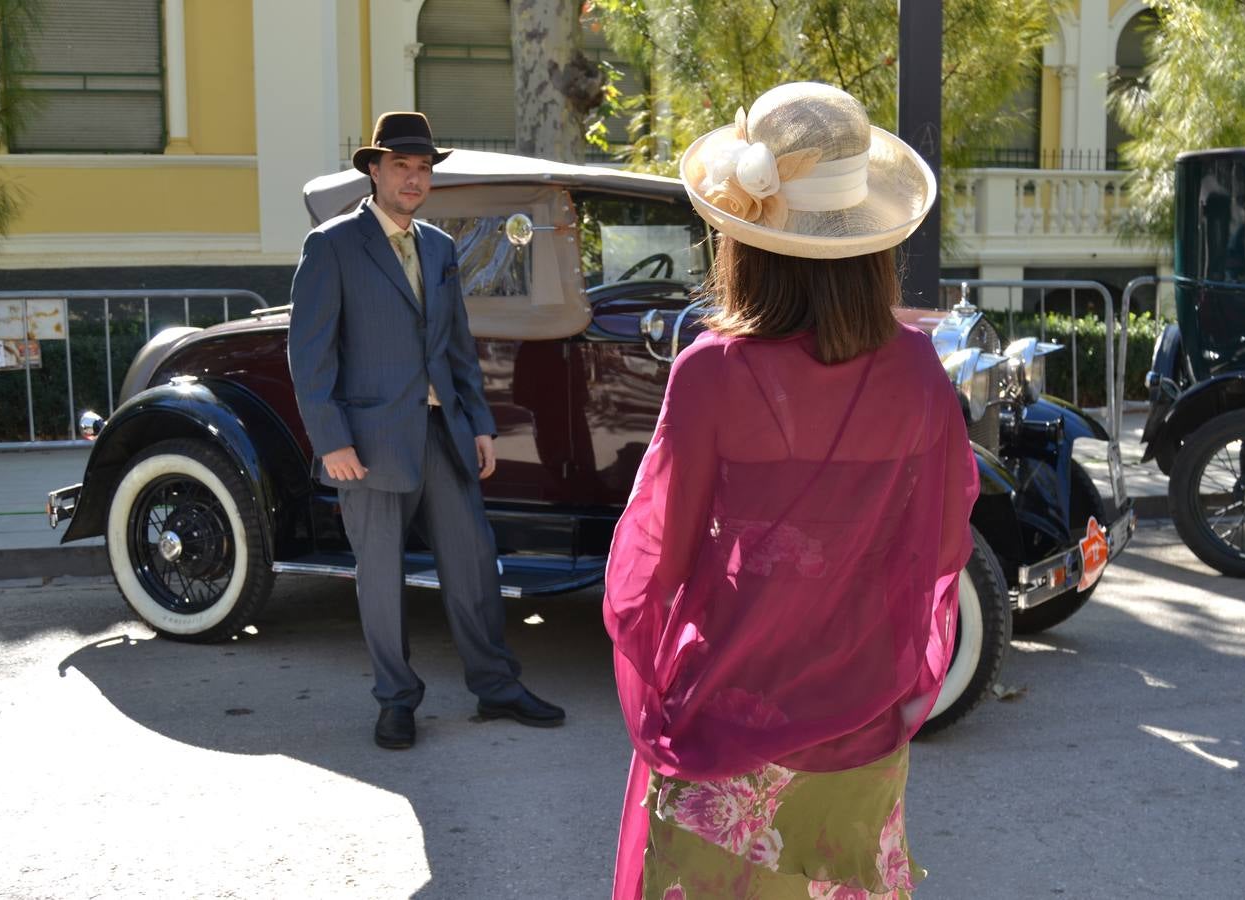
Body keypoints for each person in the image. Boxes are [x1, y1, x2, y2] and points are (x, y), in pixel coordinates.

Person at [604, 83, 979, 898]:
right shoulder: (917, 371)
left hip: (732, 709)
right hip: (862, 714)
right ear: (870, 237)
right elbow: (943, 543)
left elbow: (656, 565)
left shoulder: (711, 371)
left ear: (745, 237)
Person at [287, 111, 564, 750]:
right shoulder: (331, 245)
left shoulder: (438, 245)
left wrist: (480, 422)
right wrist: (332, 441)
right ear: (374, 171)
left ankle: (496, 688)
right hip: (369, 440)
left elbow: (456, 344)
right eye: (401, 166)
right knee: (381, 577)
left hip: (445, 432)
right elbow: (310, 353)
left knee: (473, 564)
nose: (414, 179)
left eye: (423, 169)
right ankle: (396, 700)